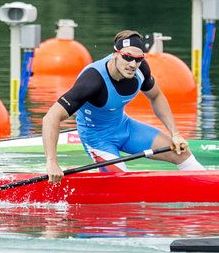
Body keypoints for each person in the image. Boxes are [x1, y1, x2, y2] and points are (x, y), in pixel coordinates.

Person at [42, 30, 205, 183]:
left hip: (124, 127)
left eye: (138, 59)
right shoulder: (92, 81)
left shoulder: (141, 69)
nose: (133, 64)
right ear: (115, 55)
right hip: (98, 138)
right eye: (127, 57)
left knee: (181, 153)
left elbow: (156, 96)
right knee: (119, 181)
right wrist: (52, 162)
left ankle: (206, 185)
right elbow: (51, 118)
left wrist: (175, 134)